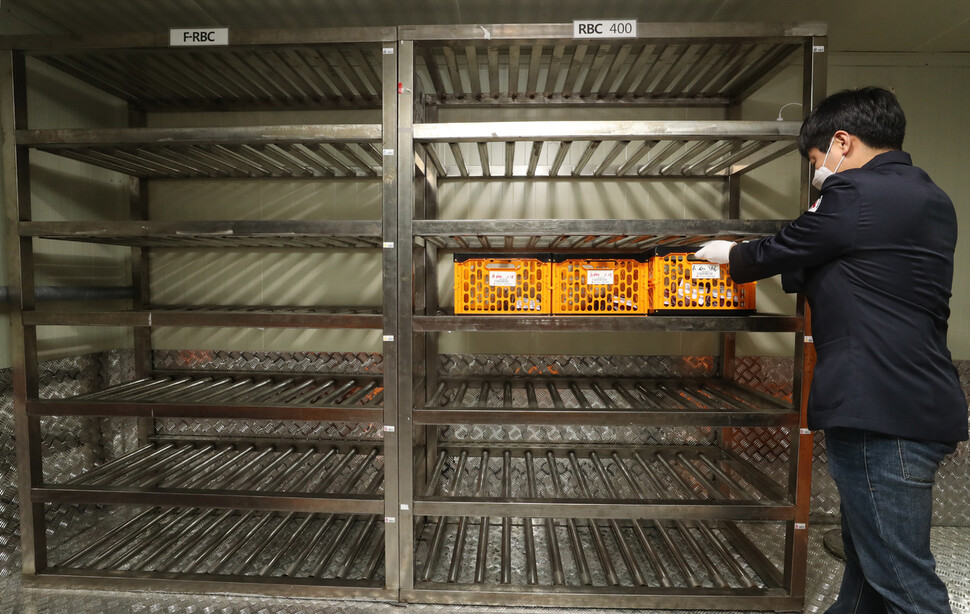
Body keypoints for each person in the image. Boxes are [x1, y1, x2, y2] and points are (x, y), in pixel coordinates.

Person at [696, 86, 967, 614]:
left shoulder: (859, 194)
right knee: (867, 570)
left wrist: (734, 255)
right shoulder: (926, 196)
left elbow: (789, 248)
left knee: (907, 585)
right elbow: (822, 262)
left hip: (881, 414)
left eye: (818, 161)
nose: (820, 171)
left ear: (843, 142)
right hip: (912, 404)